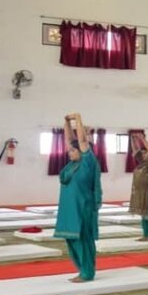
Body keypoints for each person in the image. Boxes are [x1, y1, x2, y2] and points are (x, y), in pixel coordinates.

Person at [54, 114, 102, 282]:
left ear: (82, 151)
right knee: (71, 238)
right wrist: (66, 122)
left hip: (83, 207)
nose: (69, 152)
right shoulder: (72, 165)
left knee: (83, 240)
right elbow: (70, 140)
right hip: (69, 208)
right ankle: (81, 269)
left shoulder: (88, 162)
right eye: (69, 150)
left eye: (73, 151)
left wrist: (78, 120)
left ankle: (87, 272)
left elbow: (81, 141)